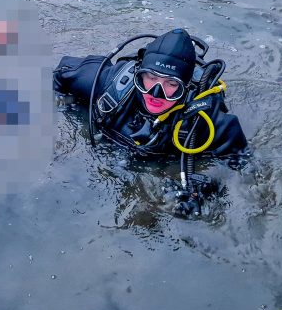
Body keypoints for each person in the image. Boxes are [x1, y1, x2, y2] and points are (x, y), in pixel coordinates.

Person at [53, 28, 248, 216]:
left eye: (171, 84)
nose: (156, 93)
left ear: (186, 86)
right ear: (138, 73)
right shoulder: (107, 83)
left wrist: (208, 186)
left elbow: (242, 163)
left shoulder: (207, 121)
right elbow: (59, 73)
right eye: (151, 77)